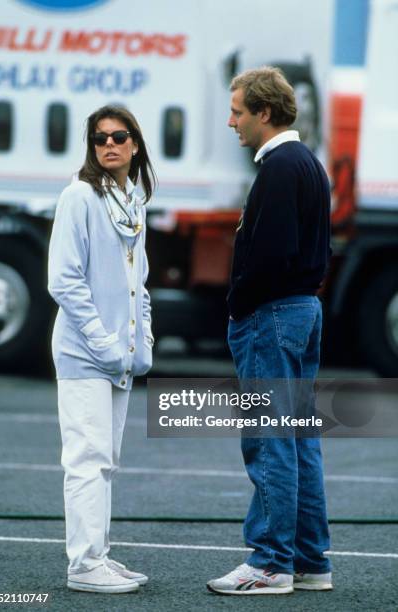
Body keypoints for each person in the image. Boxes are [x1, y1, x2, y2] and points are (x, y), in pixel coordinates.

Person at [207, 67, 332, 595]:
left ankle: (271, 563)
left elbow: (273, 254)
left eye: (237, 111)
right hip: (302, 311)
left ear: (263, 112)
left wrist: (239, 306)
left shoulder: (280, 167)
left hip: (273, 316)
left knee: (270, 438)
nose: (231, 120)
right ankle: (308, 562)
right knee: (299, 439)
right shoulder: (308, 164)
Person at [48, 104, 156, 594]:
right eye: (99, 138)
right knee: (87, 457)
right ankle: (83, 565)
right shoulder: (79, 197)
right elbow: (63, 282)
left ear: (135, 143)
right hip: (85, 353)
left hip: (120, 356)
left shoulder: (133, 200)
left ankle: (100, 555)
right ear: (91, 146)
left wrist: (142, 341)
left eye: (119, 136)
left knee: (106, 459)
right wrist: (104, 342)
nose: (108, 144)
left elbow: (141, 283)